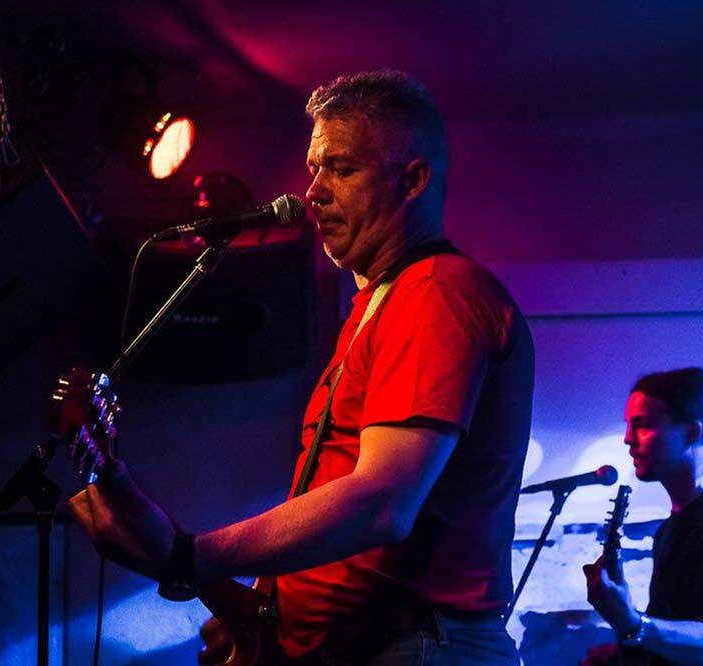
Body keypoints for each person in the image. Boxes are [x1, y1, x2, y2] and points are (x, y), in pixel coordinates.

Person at [65, 70, 535, 665]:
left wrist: (193, 557)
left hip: (412, 645)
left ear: (413, 181)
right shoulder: (377, 306)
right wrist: (254, 614)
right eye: (314, 169)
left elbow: (384, 502)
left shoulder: (435, 293)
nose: (312, 192)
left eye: (341, 169)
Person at [582, 368, 703, 666]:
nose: (627, 439)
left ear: (690, 433)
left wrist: (631, 621)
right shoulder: (671, 528)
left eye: (643, 425)